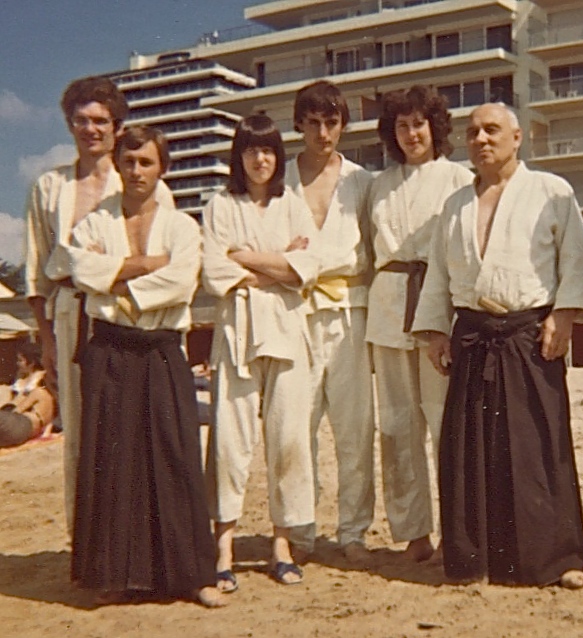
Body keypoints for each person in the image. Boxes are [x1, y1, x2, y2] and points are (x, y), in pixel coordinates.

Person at [412, 103, 583, 587]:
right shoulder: (455, 205)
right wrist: (435, 330)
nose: (481, 139)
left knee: (538, 447)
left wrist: (564, 314)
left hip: (529, 334)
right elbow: (439, 273)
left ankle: (555, 560)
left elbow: (577, 259)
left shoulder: (552, 191)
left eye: (492, 130)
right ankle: (476, 560)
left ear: (518, 137)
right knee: (470, 450)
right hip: (472, 333)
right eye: (472, 132)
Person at [68, 126, 223, 607]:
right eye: (129, 161)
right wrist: (147, 263)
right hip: (109, 347)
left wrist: (115, 277)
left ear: (163, 168)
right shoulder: (94, 223)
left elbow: (181, 282)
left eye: (146, 162)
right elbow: (81, 271)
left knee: (176, 455)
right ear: (117, 164)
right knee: (111, 459)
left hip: (161, 347)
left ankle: (193, 575)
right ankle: (113, 575)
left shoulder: (183, 227)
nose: (136, 171)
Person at [23, 75, 174, 533]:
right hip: (70, 312)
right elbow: (38, 271)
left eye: (101, 121)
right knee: (79, 432)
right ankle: (85, 543)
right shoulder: (50, 186)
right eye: (81, 120)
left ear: (117, 126)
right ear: (70, 124)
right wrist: (47, 341)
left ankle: (133, 541)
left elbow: (163, 260)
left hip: (127, 314)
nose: (91, 129)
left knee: (128, 428)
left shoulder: (140, 178)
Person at [202, 114, 320, 590]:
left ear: (278, 155)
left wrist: (244, 257)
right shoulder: (219, 205)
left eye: (268, 149)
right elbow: (214, 271)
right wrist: (278, 264)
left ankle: (282, 545)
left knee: (288, 438)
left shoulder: (292, 204)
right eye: (251, 150)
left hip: (287, 329)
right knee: (229, 441)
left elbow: (307, 267)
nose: (260, 159)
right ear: (239, 155)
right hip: (237, 329)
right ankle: (223, 548)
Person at [365, 85, 473, 562]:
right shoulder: (378, 186)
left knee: (445, 420)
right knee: (397, 426)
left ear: (435, 127)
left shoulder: (459, 179)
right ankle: (414, 533)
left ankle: (457, 530)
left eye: (419, 124)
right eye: (402, 125)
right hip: (388, 305)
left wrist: (448, 318)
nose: (411, 134)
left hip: (438, 306)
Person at [285, 81, 376, 563]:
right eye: (314, 123)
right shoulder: (278, 179)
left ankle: (353, 531)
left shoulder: (362, 181)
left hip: (349, 312)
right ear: (299, 124)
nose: (323, 133)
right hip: (293, 312)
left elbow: (374, 253)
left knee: (354, 428)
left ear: (343, 125)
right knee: (296, 429)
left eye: (332, 123)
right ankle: (300, 531)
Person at [0, 342, 57, 448]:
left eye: (20, 360)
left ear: (31, 363)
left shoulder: (39, 390)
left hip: (23, 422)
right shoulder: (22, 378)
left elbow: (18, 410)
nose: (18, 363)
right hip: (19, 424)